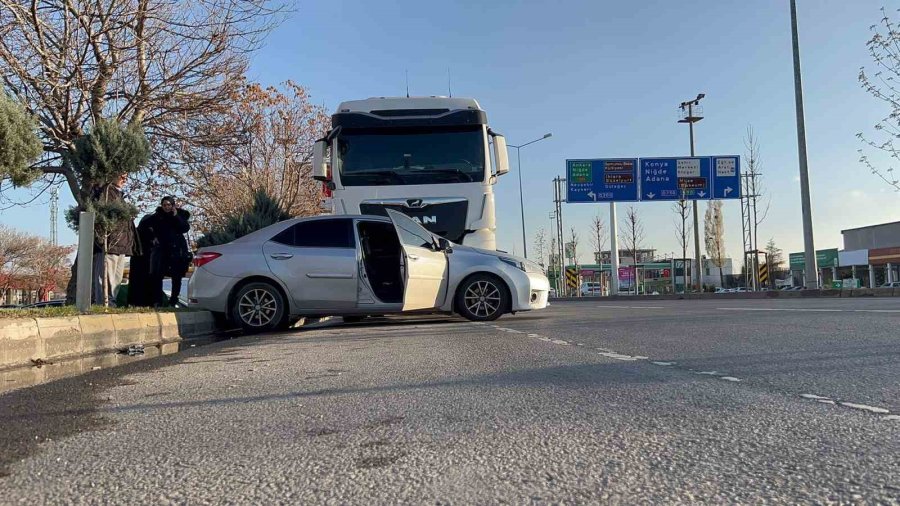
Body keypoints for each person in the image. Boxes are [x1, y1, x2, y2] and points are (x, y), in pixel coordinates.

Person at [92, 174, 139, 306]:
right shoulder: (104, 193)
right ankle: (105, 304)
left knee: (116, 279)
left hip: (121, 245)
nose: (125, 180)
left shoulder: (118, 195)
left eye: (127, 177)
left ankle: (111, 303)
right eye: (122, 176)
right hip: (110, 243)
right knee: (107, 278)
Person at [140, 196, 192, 306]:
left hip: (177, 250)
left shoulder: (180, 215)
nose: (166, 207)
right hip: (162, 249)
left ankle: (173, 300)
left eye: (169, 205)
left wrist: (175, 216)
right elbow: (144, 226)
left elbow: (185, 228)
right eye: (164, 205)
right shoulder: (157, 216)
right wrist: (152, 237)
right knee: (157, 276)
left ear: (173, 205)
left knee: (176, 277)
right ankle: (157, 301)